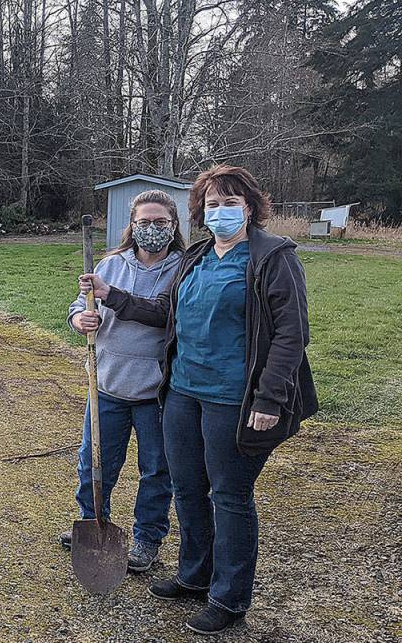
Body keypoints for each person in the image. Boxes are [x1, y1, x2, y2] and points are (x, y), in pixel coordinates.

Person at [79, 165, 318, 635]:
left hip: (235, 397)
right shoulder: (200, 256)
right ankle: (193, 575)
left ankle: (229, 598)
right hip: (183, 392)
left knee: (229, 496)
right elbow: (166, 311)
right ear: (201, 212)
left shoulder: (272, 257)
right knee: (187, 489)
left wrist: (269, 399)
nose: (221, 211)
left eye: (231, 203)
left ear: (250, 207)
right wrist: (112, 296)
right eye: (212, 204)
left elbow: (292, 334)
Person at [61, 189, 185, 573]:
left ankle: (147, 538)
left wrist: (110, 296)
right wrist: (78, 319)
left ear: (174, 226)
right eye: (143, 222)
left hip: (155, 391)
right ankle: (92, 520)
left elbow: (165, 315)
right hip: (107, 384)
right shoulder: (111, 264)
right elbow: (79, 305)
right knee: (94, 462)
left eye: (160, 222)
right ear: (131, 226)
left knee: (156, 470)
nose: (151, 229)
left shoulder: (184, 269)